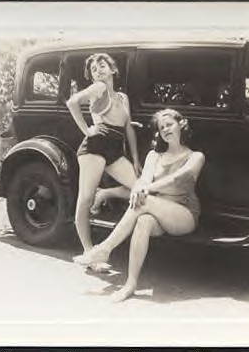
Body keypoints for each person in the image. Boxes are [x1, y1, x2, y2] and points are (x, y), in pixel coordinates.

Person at [73, 108, 205, 302]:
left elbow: (178, 179)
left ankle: (105, 249)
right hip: (155, 213)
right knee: (143, 220)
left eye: (170, 124)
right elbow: (142, 181)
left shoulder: (195, 156)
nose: (166, 129)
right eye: (161, 128)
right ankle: (130, 284)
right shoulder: (154, 155)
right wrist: (141, 187)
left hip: (183, 215)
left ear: (181, 124)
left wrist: (146, 188)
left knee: (145, 201)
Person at [66, 53, 141, 271]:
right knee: (85, 200)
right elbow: (72, 102)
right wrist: (87, 129)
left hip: (115, 151)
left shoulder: (123, 97)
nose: (98, 70)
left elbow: (128, 128)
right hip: (95, 148)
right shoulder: (98, 88)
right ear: (91, 76)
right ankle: (90, 252)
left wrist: (135, 159)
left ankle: (105, 193)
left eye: (102, 65)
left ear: (112, 69)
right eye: (94, 69)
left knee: (141, 189)